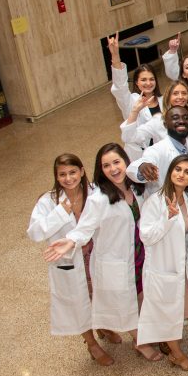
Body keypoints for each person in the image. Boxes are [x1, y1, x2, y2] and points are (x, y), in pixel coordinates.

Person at [44, 143, 163, 362]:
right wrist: (70, 241)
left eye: (116, 162)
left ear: (126, 162)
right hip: (116, 259)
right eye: (106, 165)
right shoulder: (99, 198)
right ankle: (140, 342)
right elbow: (84, 228)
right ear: (101, 170)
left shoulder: (136, 187)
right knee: (124, 302)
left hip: (140, 253)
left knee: (140, 295)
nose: (113, 169)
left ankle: (140, 330)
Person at [28, 154, 114, 365]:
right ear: (56, 177)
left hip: (95, 255)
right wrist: (59, 212)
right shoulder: (48, 201)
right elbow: (34, 233)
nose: (68, 178)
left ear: (82, 171)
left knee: (100, 293)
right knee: (77, 301)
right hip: (69, 262)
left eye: (72, 172)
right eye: (62, 174)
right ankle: (92, 344)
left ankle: (103, 324)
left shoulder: (94, 192)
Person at [137, 155, 188, 371]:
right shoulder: (155, 201)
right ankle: (176, 355)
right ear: (170, 172)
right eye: (178, 169)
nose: (181, 174)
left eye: (187, 172)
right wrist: (167, 218)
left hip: (184, 266)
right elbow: (146, 237)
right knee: (168, 314)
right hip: (163, 268)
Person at [107, 31, 164, 160]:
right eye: (143, 80)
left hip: (160, 153)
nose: (148, 83)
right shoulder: (131, 100)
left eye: (151, 79)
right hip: (139, 155)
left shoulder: (163, 100)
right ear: (137, 83)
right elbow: (120, 86)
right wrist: (115, 56)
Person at [126, 106, 188, 196]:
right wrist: (142, 167)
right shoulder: (157, 150)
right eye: (175, 118)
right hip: (166, 205)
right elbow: (134, 168)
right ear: (165, 124)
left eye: (186, 118)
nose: (181, 121)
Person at [120, 80, 188, 152]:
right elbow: (129, 138)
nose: (180, 97)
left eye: (184, 93)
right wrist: (135, 111)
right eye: (175, 93)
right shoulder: (158, 120)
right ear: (168, 98)